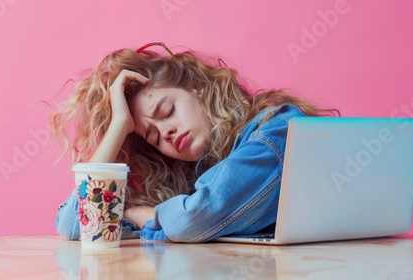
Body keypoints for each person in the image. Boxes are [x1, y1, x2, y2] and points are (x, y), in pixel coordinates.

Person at [51, 42, 339, 243]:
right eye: (152, 137)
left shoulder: (276, 129)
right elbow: (76, 225)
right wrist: (117, 128)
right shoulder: (189, 177)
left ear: (197, 88)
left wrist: (139, 214)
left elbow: (193, 220)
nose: (165, 133)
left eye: (166, 112)